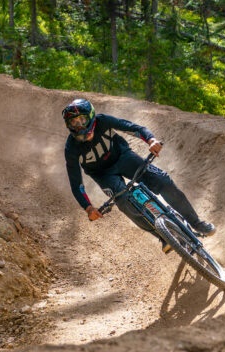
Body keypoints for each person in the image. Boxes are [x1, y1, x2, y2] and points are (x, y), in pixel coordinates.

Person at [62, 98, 215, 246]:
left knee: (162, 181)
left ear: (91, 117)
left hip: (123, 157)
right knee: (123, 201)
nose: (80, 126)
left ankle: (196, 223)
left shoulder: (103, 121)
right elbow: (76, 184)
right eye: (74, 123)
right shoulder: (71, 149)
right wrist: (88, 208)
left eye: (82, 120)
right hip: (103, 175)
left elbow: (134, 128)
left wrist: (151, 140)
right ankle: (164, 237)